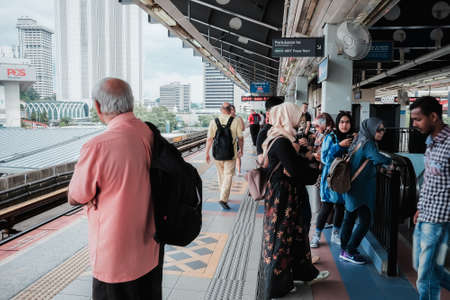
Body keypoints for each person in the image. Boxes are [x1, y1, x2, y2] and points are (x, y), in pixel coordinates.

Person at [67, 78, 162, 300]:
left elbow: (76, 196)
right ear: (131, 103)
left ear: (98, 106)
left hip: (115, 260)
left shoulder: (97, 146)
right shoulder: (150, 134)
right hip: (151, 250)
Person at [260, 102, 329, 300]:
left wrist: (304, 159)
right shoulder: (281, 141)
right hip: (282, 198)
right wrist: (315, 169)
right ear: (287, 116)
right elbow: (297, 171)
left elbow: (294, 167)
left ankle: (303, 273)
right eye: (297, 117)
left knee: (296, 234)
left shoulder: (281, 138)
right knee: (280, 238)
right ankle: (275, 287)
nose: (300, 121)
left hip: (286, 196)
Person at [410, 96, 450, 300]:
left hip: (440, 220)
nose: (414, 124)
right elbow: (430, 180)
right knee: (423, 266)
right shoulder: (431, 142)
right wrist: (420, 207)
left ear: (433, 116)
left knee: (424, 275)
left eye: (418, 119)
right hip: (426, 213)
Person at [339, 118, 392, 265]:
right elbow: (375, 157)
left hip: (350, 185)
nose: (382, 133)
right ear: (371, 129)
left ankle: (344, 250)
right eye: (379, 129)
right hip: (360, 189)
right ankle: (350, 250)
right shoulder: (369, 143)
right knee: (366, 221)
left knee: (349, 218)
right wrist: (389, 162)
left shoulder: (360, 138)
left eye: (383, 130)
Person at [310, 112, 354, 248]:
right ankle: (316, 236)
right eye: (342, 122)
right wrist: (339, 146)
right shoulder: (331, 137)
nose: (344, 125)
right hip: (330, 178)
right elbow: (324, 158)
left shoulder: (354, 138)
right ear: (337, 123)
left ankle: (336, 233)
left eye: (347, 122)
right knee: (326, 207)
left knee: (340, 207)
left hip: (344, 178)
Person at [205, 102, 243, 210]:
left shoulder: (213, 121)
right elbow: (240, 138)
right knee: (228, 176)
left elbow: (209, 139)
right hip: (231, 154)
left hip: (217, 154)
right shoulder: (235, 121)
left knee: (221, 175)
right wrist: (241, 149)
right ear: (230, 110)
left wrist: (207, 153)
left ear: (221, 110)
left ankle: (223, 195)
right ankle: (223, 198)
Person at [256, 96, 284, 160]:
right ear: (268, 114)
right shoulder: (263, 133)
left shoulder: (287, 128)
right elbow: (262, 162)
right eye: (278, 112)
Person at [230, 104, 245, 176]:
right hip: (229, 140)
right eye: (230, 110)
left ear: (234, 110)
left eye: (232, 109)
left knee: (238, 156)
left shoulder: (238, 118)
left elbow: (243, 128)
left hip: (237, 139)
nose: (231, 111)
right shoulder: (226, 118)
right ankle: (232, 171)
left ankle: (239, 171)